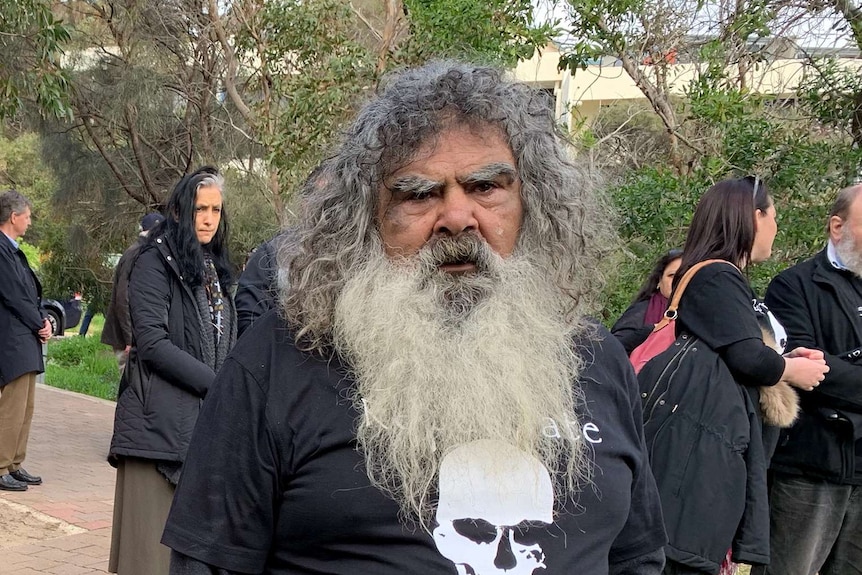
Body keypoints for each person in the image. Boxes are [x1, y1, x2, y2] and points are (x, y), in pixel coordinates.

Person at [162, 61, 667, 575]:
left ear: (532, 202)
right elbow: (209, 562)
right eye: (419, 194)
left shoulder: (596, 357)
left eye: (487, 187)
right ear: (366, 217)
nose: (456, 218)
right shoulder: (279, 360)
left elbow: (637, 556)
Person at [641, 176, 829, 575]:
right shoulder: (717, 274)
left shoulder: (714, 276)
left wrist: (786, 357)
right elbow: (748, 358)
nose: (776, 228)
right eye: (773, 217)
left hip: (694, 455)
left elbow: (734, 348)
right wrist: (792, 369)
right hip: (692, 464)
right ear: (753, 217)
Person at [108, 167, 236, 574]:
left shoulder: (212, 268)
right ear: (180, 210)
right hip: (156, 428)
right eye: (200, 208)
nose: (208, 218)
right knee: (147, 558)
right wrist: (217, 386)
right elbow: (151, 343)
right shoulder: (154, 262)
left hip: (199, 427)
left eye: (216, 209)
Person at [757, 183, 862, 575]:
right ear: (837, 226)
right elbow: (804, 373)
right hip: (809, 470)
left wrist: (839, 369)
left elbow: (833, 373)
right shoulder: (793, 286)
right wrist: (831, 373)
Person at [0, 190, 51, 492]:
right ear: (13, 217)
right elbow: (14, 295)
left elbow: (31, 292)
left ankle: (15, 463)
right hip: (11, 339)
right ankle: (1, 465)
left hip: (25, 338)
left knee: (26, 406)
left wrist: (42, 319)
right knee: (12, 406)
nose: (30, 222)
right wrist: (39, 322)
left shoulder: (13, 250)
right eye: (28, 216)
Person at [101, 212, 165, 371]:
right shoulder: (136, 254)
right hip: (127, 339)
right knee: (130, 388)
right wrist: (129, 339)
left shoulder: (141, 252)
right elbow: (122, 298)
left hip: (133, 337)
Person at [612, 248, 683, 353]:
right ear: (659, 280)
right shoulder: (641, 310)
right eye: (672, 275)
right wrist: (650, 331)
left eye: (683, 276)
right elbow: (613, 348)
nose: (677, 280)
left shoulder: (699, 315)